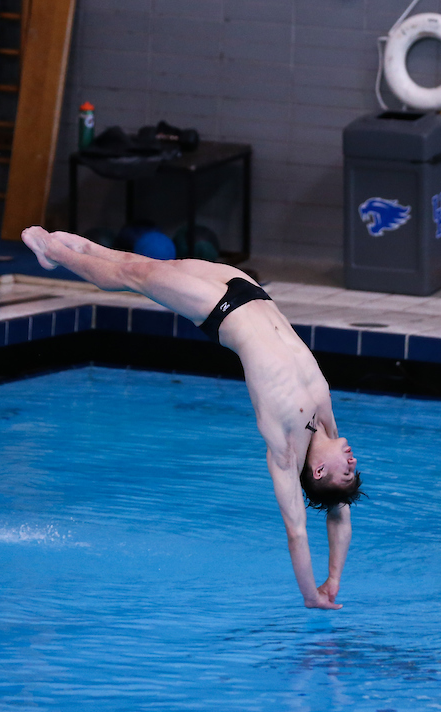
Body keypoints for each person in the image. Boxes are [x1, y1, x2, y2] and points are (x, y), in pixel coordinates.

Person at [22, 227, 364, 610]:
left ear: (318, 473)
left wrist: (310, 595)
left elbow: (298, 532)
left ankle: (52, 250)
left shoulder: (285, 450)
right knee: (148, 265)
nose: (353, 459)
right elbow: (340, 514)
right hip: (250, 290)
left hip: (218, 309)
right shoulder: (326, 425)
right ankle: (79, 246)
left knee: (131, 277)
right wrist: (334, 577)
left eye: (347, 470)